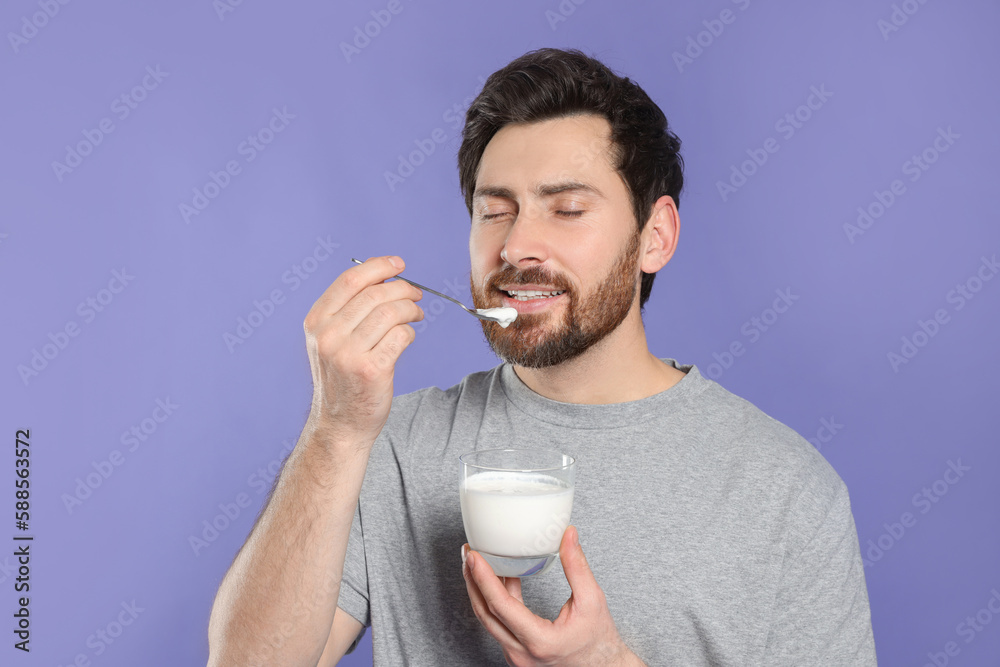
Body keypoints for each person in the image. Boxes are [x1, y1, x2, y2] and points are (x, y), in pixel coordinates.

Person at [206, 48, 878, 666]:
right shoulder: (390, 449)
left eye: (566, 209)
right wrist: (335, 429)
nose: (518, 245)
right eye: (494, 211)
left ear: (656, 237)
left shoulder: (790, 492)